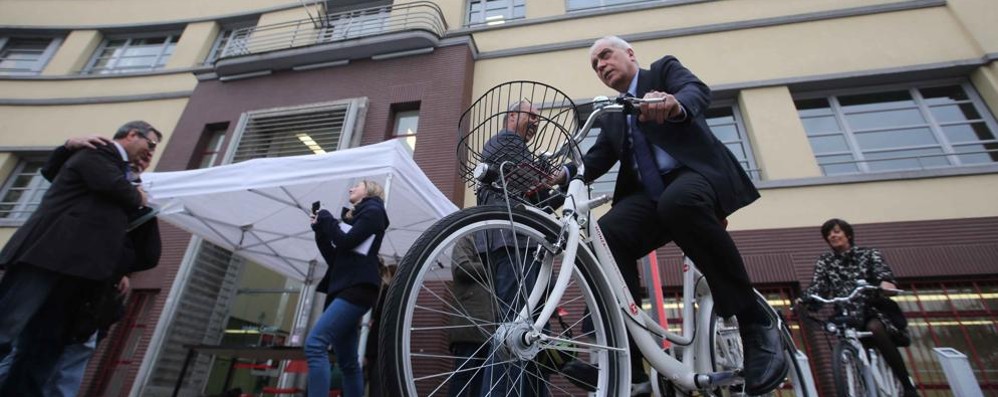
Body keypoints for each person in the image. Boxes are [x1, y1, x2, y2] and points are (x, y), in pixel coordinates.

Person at [554, 36, 786, 395]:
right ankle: (629, 363)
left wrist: (674, 104)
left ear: (629, 54)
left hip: (695, 177)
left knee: (678, 202)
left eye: (605, 56)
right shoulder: (614, 114)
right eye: (594, 65)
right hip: (651, 196)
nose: (600, 66)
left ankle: (755, 322)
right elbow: (596, 158)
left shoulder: (662, 71)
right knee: (605, 234)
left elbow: (695, 91)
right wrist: (560, 177)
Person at [0, 121, 160, 395]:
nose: (150, 154)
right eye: (150, 144)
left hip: (79, 272)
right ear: (132, 135)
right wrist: (136, 195)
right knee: (8, 326)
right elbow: (109, 185)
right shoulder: (98, 152)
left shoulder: (122, 173)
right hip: (47, 258)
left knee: (45, 345)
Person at [475, 100, 551, 396]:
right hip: (513, 241)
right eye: (531, 115)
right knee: (515, 329)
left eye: (538, 118)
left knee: (523, 328)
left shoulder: (507, 147)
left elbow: (531, 194)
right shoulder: (506, 142)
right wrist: (546, 176)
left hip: (509, 242)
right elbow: (527, 186)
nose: (535, 121)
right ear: (511, 116)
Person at [803, 218, 918, 396]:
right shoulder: (825, 261)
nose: (833, 236)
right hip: (846, 313)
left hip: (871, 308)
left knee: (875, 328)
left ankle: (907, 385)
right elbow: (818, 286)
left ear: (848, 234)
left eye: (836, 231)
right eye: (829, 234)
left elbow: (883, 273)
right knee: (844, 338)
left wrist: (886, 284)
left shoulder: (869, 254)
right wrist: (805, 298)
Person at [307, 180, 389, 397]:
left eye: (357, 185)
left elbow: (345, 241)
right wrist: (321, 230)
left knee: (315, 344)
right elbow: (335, 258)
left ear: (369, 190)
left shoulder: (374, 211)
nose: (351, 189)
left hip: (356, 288)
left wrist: (326, 219)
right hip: (347, 287)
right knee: (348, 363)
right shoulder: (357, 216)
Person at [447, 236, 491, 397]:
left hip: (489, 326)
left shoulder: (490, 243)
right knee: (463, 375)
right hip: (469, 322)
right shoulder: (467, 240)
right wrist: (490, 267)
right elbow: (461, 267)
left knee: (482, 379)